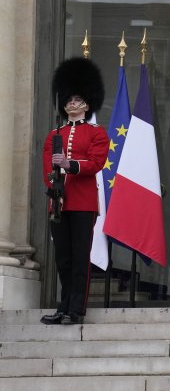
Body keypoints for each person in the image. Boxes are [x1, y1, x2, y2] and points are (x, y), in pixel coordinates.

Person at [41, 57, 109, 325]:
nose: (72, 103)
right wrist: (53, 185)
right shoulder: (52, 134)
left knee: (81, 257)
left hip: (83, 203)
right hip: (59, 202)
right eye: (68, 99)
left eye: (77, 99)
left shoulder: (97, 133)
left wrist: (70, 165)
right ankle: (63, 305)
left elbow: (95, 163)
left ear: (87, 104)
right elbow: (47, 165)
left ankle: (76, 308)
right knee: (64, 259)